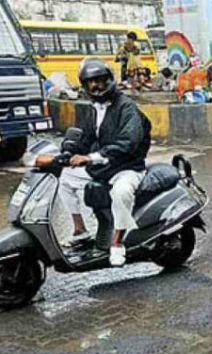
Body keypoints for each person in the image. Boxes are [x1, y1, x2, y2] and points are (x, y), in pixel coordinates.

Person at [65, 57, 151, 266]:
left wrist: (91, 157)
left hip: (127, 167)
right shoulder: (93, 108)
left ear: (109, 80)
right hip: (104, 166)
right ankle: (80, 230)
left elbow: (128, 142)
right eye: (90, 82)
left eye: (100, 80)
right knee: (65, 178)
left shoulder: (126, 107)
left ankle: (117, 242)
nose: (95, 85)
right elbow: (84, 138)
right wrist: (66, 153)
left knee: (121, 192)